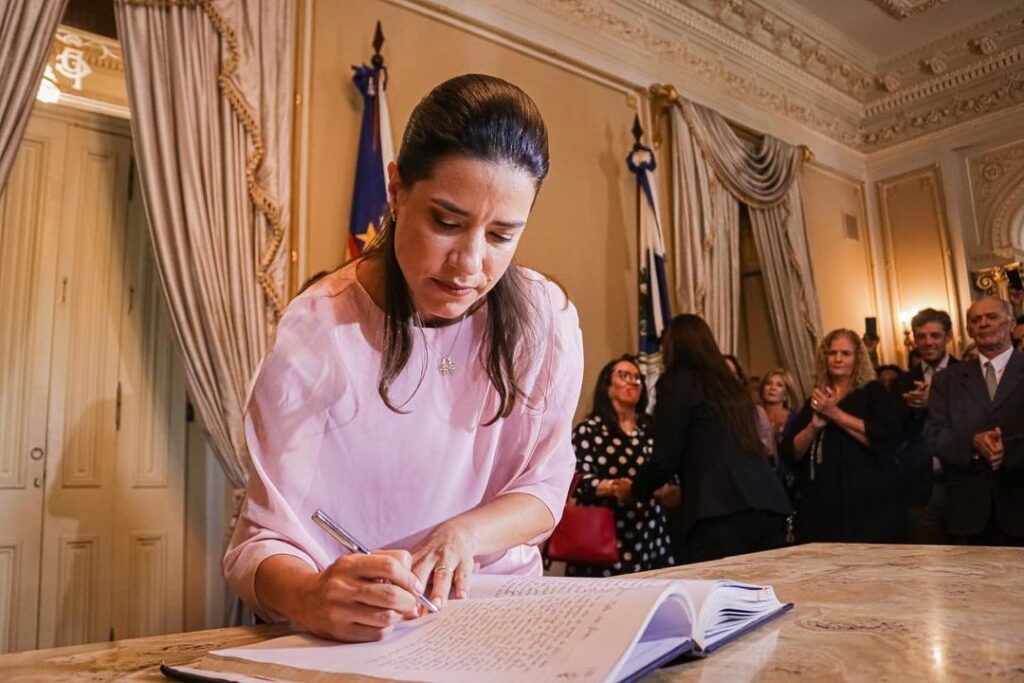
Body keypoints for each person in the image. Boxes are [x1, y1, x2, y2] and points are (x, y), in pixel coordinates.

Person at [224, 74, 584, 642]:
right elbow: (258, 544)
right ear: (395, 190)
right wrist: (309, 596)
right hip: (357, 640)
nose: (469, 264)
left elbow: (544, 490)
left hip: (497, 623)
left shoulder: (546, 323)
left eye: (501, 236)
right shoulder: (319, 331)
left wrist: (464, 534)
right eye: (446, 222)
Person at [625, 315, 791, 564]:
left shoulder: (676, 381)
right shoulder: (729, 386)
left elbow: (664, 459)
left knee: (717, 587)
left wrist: (635, 489)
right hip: (769, 504)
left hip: (720, 514)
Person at [781, 329, 906, 543]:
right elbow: (791, 452)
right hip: (823, 500)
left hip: (867, 498)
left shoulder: (872, 391)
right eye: (832, 353)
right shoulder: (817, 397)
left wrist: (836, 414)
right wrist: (813, 427)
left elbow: (885, 440)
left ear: (857, 358)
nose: (838, 359)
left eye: (845, 353)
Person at [924, 296, 1024, 546]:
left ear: (1011, 324)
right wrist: (973, 443)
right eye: (975, 320)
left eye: (992, 317)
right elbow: (933, 435)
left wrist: (1007, 450)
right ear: (968, 330)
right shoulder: (947, 379)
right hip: (967, 513)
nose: (983, 323)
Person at [565, 355, 675, 577]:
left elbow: (670, 474)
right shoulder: (589, 430)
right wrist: (614, 488)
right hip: (602, 539)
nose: (633, 381)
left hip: (650, 537)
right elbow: (576, 480)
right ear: (607, 386)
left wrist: (666, 490)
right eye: (624, 375)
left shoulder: (652, 430)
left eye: (637, 377)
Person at [893, 308, 958, 544]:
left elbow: (972, 420)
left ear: (948, 336)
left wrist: (934, 403)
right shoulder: (902, 381)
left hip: (961, 478)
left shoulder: (967, 373)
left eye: (935, 335)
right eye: (921, 336)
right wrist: (910, 408)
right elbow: (893, 432)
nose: (928, 342)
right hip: (919, 483)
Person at [760, 369, 799, 444]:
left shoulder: (794, 419)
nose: (772, 388)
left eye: (779, 385)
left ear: (786, 395)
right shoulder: (754, 417)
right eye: (768, 383)